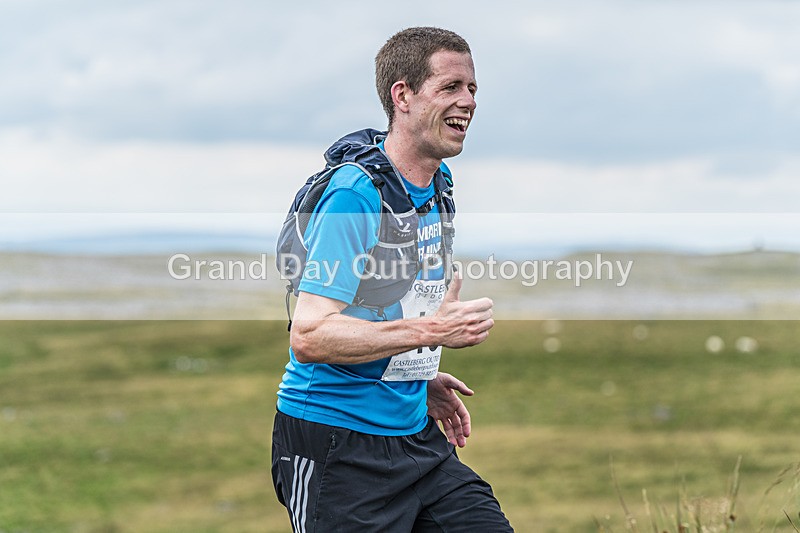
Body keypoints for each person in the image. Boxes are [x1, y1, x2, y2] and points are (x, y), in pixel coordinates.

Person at [271, 27, 513, 532]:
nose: (468, 101)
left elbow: (390, 306)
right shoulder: (355, 195)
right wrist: (432, 333)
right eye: (450, 87)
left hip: (416, 439)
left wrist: (416, 376)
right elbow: (310, 335)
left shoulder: (437, 185)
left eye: (472, 89)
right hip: (337, 444)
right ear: (402, 96)